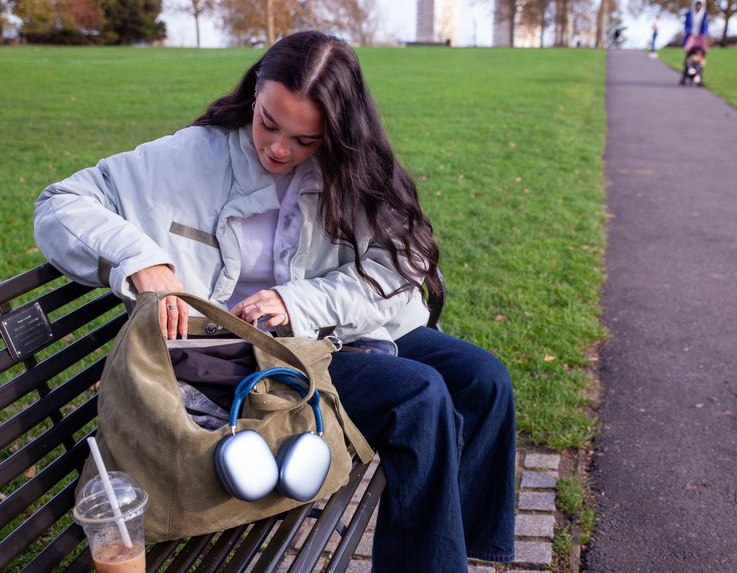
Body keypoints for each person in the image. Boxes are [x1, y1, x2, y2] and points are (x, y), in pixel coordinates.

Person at [34, 30, 516, 571]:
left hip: (332, 327)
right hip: (242, 353)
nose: (280, 149)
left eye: (305, 139)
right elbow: (60, 204)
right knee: (418, 397)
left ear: (336, 131)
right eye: (269, 122)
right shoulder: (188, 157)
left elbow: (397, 268)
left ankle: (460, 545)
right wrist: (141, 259)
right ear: (255, 90)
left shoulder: (349, 170)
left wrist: (298, 301)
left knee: (484, 380)